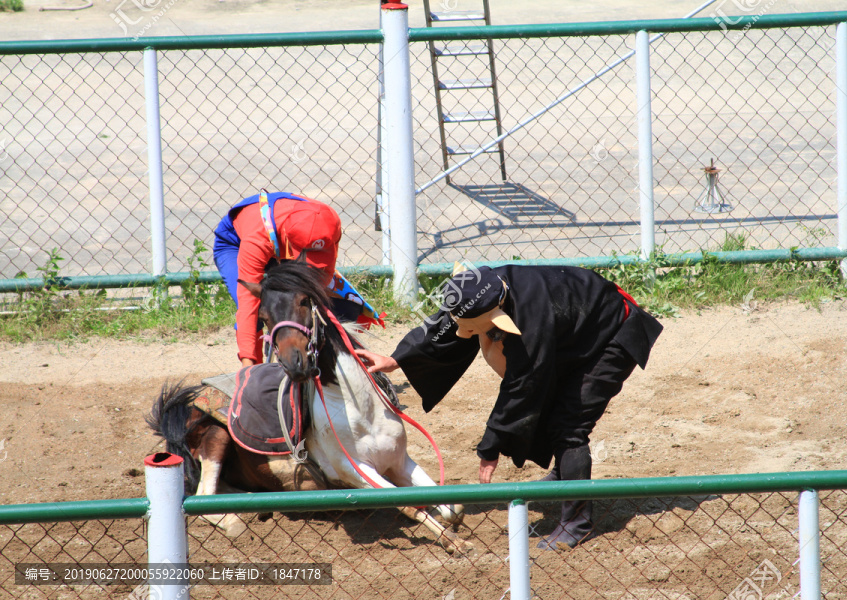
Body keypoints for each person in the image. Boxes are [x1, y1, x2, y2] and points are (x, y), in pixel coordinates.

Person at [357, 264, 663, 550]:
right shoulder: (479, 288)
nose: (465, 335)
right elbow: (443, 324)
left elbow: (522, 387)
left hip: (613, 335)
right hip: (576, 328)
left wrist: (490, 447)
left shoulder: (531, 323)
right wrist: (397, 359)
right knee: (555, 406)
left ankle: (577, 521)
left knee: (570, 425)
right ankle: (565, 476)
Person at [213, 190, 383, 367]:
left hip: (283, 239)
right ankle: (256, 371)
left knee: (340, 305)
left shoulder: (329, 221)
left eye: (319, 254)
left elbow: (321, 281)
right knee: (257, 308)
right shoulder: (258, 238)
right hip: (236, 244)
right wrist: (248, 369)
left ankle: (325, 361)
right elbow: (248, 303)